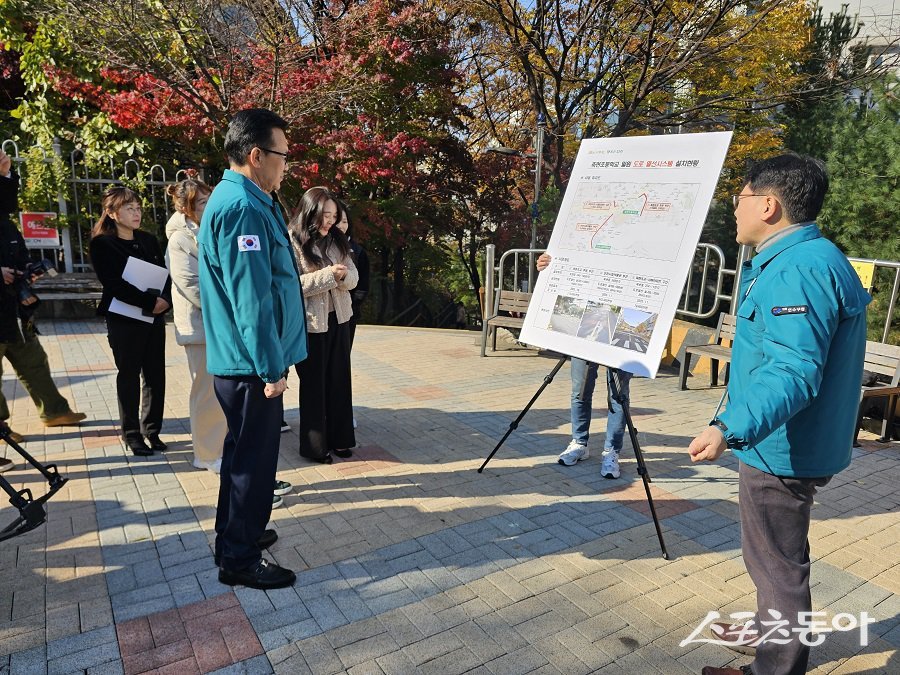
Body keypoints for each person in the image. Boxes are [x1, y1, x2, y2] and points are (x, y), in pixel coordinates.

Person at [689, 154, 869, 675]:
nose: (735, 208)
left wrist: (728, 427)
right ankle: (770, 642)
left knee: (777, 569)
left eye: (740, 198)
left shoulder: (798, 269)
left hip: (781, 448)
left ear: (768, 205)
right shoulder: (806, 257)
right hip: (788, 440)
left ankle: (775, 669)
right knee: (778, 560)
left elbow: (793, 370)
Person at [198, 108, 307, 590]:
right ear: (257, 155)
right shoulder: (242, 206)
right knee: (253, 463)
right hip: (250, 365)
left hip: (244, 361)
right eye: (283, 155)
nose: (287, 165)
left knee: (243, 456)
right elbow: (252, 301)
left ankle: (235, 536)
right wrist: (270, 368)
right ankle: (239, 559)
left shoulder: (246, 200)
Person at [0, 150, 86, 472]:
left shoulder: (5, 223)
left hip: (13, 309)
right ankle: (0, 429)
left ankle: (54, 410)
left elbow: (7, 203)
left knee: (33, 359)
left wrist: (26, 272)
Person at [90, 186, 171, 456]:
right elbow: (113, 283)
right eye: (129, 208)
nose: (136, 213)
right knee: (128, 376)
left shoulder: (148, 240)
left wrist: (165, 300)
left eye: (138, 208)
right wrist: (149, 302)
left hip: (154, 317)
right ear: (112, 213)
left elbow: (164, 274)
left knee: (155, 375)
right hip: (124, 318)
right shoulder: (103, 244)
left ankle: (152, 431)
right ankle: (132, 434)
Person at [536, 252, 630, 479]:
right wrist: (548, 266)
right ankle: (579, 443)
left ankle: (611, 451)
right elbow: (564, 261)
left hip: (621, 320)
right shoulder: (585, 239)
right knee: (580, 390)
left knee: (618, 396)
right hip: (585, 326)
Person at [289, 187, 358, 464]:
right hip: (311, 326)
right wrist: (330, 276)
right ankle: (314, 447)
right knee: (314, 387)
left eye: (334, 215)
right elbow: (292, 285)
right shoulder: (293, 240)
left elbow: (354, 277)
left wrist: (342, 278)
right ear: (310, 212)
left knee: (340, 382)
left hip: (340, 320)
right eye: (325, 215)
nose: (330, 221)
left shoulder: (337, 240)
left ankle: (341, 440)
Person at [165, 179, 226, 473]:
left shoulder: (212, 229)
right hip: (201, 327)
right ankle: (206, 454)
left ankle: (220, 447)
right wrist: (228, 308)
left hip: (221, 323)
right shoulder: (180, 239)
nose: (209, 205)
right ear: (186, 209)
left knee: (221, 391)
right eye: (202, 202)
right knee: (206, 392)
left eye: (209, 199)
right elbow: (189, 285)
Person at [335, 201, 369, 348]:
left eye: (345, 221)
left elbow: (363, 285)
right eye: (337, 221)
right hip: (324, 313)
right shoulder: (318, 247)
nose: (341, 226)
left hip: (349, 312)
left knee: (343, 353)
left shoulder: (357, 251)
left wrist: (353, 305)